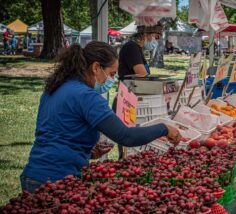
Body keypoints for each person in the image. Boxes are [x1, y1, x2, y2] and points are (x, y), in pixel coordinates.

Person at [21, 41, 182, 193]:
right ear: (96, 67)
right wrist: (164, 128)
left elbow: (59, 133)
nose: (112, 79)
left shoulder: (56, 88)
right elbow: (126, 136)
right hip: (56, 180)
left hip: (34, 174)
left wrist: (88, 152)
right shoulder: (86, 96)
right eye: (111, 74)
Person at [113, 24, 162, 159]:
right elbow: (142, 74)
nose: (156, 42)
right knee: (128, 148)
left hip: (134, 99)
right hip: (127, 100)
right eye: (156, 38)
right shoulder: (132, 47)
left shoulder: (138, 49)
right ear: (146, 34)